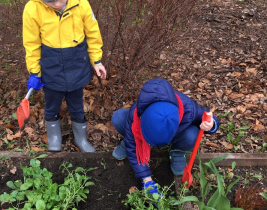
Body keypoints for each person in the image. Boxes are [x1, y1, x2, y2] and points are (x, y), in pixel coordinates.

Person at [23, 0, 106, 152]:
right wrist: (35, 71)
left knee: (76, 105)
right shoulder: (32, 8)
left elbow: (93, 33)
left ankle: (80, 138)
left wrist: (96, 60)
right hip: (51, 65)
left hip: (76, 62)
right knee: (52, 104)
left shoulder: (81, 3)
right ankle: (54, 138)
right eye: (50, 1)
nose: (56, 4)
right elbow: (31, 43)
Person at [111, 78, 219, 194]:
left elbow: (207, 116)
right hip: (136, 131)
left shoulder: (189, 109)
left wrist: (211, 124)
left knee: (192, 134)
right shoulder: (136, 114)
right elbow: (133, 147)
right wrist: (146, 180)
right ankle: (131, 142)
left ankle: (177, 151)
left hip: (176, 134)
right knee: (119, 118)